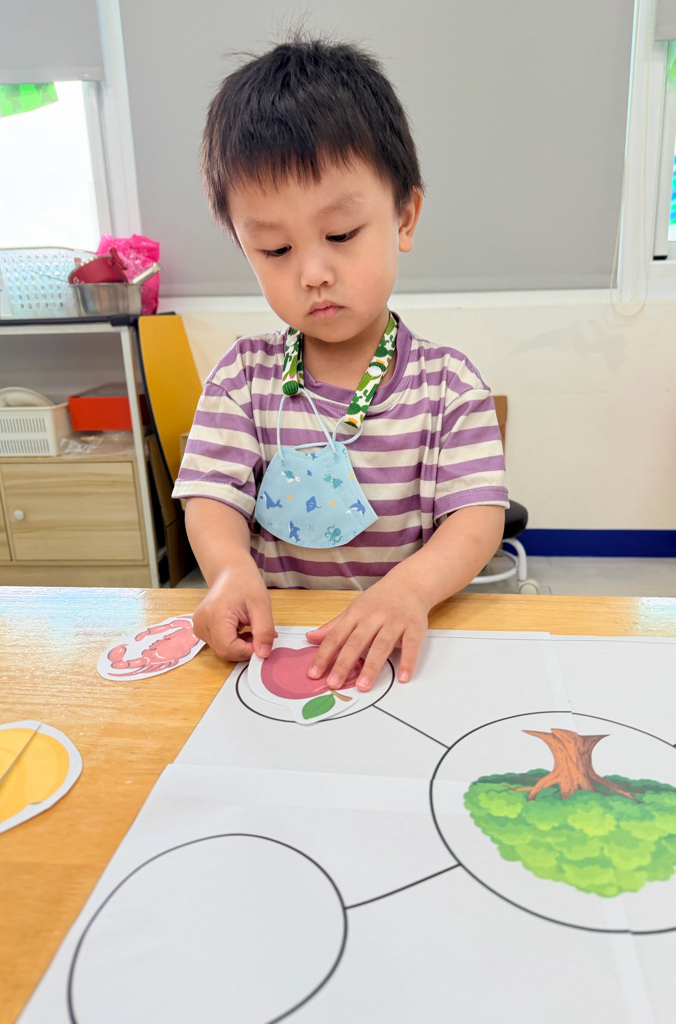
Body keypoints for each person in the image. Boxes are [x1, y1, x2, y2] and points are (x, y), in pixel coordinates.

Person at [173, 35, 508, 693]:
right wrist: (229, 570)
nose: (313, 273)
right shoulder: (242, 378)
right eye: (275, 249)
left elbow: (477, 517)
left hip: (400, 643)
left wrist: (410, 589)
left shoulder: (449, 386)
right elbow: (212, 497)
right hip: (284, 647)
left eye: (341, 235)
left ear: (404, 217)